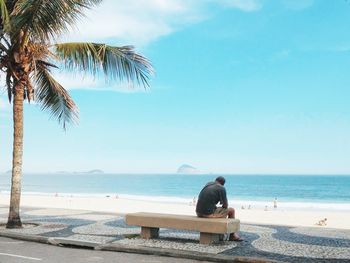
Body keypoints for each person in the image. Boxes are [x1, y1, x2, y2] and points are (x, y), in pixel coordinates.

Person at [196, 176, 242, 241]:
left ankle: (221, 234)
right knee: (231, 210)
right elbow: (225, 206)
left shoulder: (208, 184)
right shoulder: (221, 188)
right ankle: (232, 235)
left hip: (198, 212)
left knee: (220, 211)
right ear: (223, 183)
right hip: (207, 214)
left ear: (215, 180)